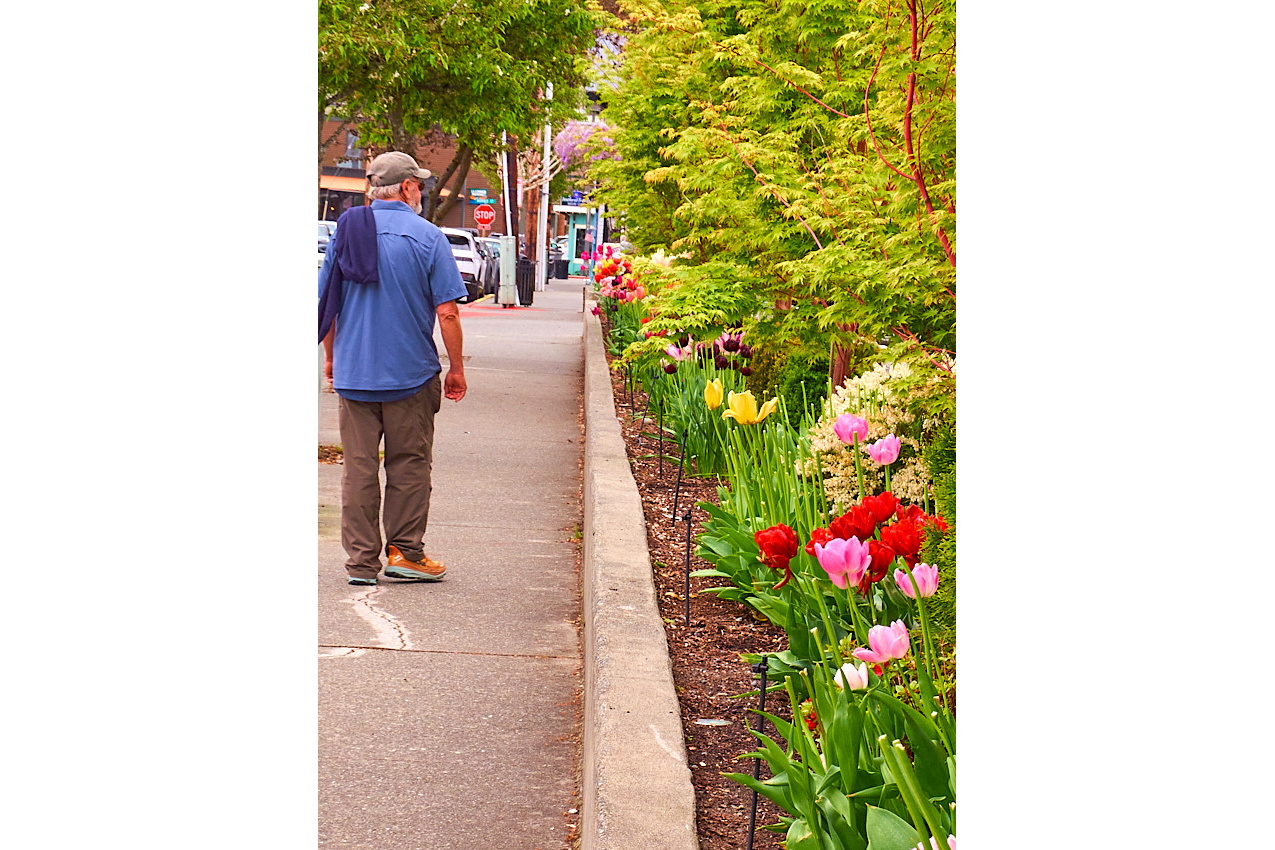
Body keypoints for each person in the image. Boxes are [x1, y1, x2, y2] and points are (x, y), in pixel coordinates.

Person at [319, 151, 469, 587]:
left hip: (354, 374)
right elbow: (448, 313)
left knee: (359, 470)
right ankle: (405, 552)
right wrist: (455, 368)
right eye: (419, 185)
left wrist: (332, 359)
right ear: (405, 188)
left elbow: (328, 305)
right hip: (410, 376)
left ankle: (361, 565)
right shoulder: (427, 238)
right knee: (409, 465)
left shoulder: (347, 233)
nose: (421, 191)